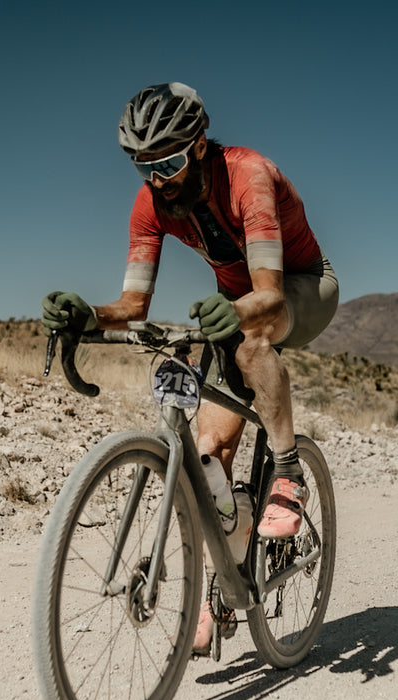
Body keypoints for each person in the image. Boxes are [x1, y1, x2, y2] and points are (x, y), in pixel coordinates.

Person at [42, 82, 339, 653]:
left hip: (300, 288)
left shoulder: (248, 175)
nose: (159, 180)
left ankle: (288, 475)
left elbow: (269, 294)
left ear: (200, 145)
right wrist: (90, 315)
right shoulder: (150, 204)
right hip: (234, 303)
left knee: (252, 341)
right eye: (144, 167)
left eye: (169, 163)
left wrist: (235, 313)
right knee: (210, 455)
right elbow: (133, 306)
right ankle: (223, 575)